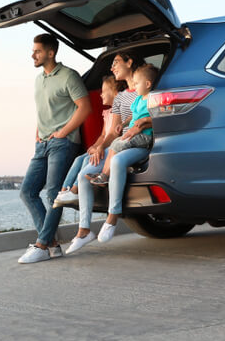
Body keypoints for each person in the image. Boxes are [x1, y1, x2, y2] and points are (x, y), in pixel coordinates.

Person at [66, 63, 158, 254]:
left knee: (116, 159)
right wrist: (101, 145)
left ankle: (112, 217)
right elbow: (112, 130)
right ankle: (84, 230)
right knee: (84, 175)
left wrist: (142, 122)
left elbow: (157, 115)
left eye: (116, 62)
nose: (112, 67)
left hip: (137, 142)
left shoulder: (152, 96)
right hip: (123, 141)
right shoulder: (129, 97)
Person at [17, 33, 92, 264]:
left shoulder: (69, 76)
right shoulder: (39, 79)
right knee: (27, 192)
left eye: (37, 51)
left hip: (63, 142)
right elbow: (43, 112)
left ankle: (42, 245)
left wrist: (63, 132)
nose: (33, 55)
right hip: (42, 144)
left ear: (51, 53)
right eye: (33, 51)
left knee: (53, 194)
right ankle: (51, 243)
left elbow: (85, 107)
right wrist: (37, 134)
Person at [52, 75, 121, 208]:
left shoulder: (119, 112)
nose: (101, 94)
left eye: (104, 91)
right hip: (103, 144)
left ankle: (75, 190)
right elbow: (103, 135)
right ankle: (64, 191)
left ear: (115, 92)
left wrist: (100, 147)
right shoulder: (107, 112)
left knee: (86, 160)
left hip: (109, 146)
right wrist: (94, 146)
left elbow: (113, 135)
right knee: (79, 159)